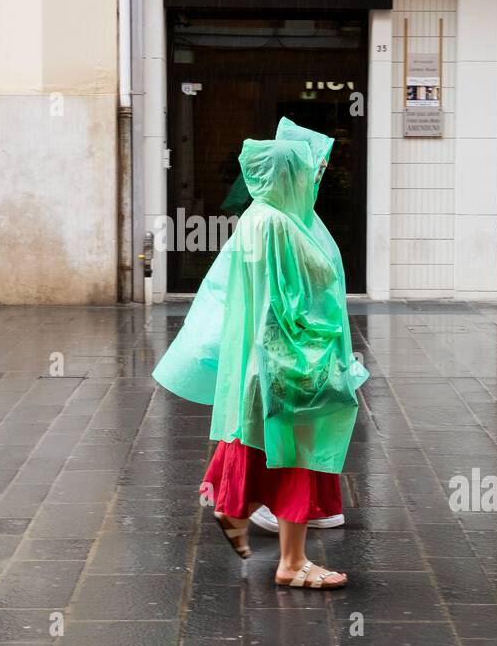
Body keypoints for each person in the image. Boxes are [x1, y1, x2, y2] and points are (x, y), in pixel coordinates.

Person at [153, 118, 367, 590]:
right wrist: (310, 353)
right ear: (290, 173)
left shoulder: (260, 216)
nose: (316, 177)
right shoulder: (278, 224)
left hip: (264, 360)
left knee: (265, 446)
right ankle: (291, 562)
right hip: (286, 360)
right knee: (296, 456)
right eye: (311, 169)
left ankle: (239, 511)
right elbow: (289, 295)